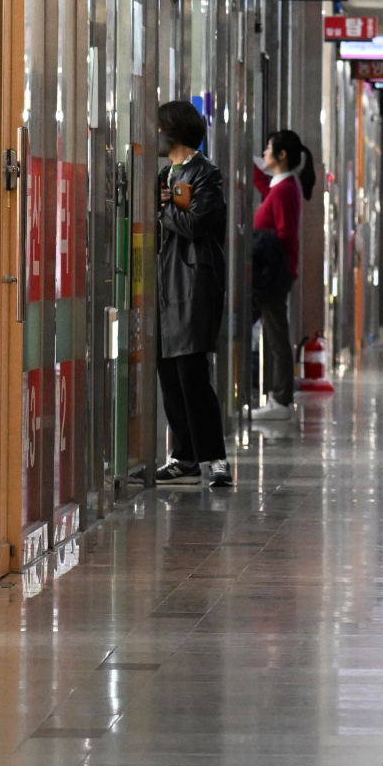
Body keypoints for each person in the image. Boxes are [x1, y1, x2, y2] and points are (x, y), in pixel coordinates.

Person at [154, 100, 232, 488]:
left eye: (159, 127)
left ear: (173, 132)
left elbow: (198, 223)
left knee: (192, 373)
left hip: (192, 284)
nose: (154, 133)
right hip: (162, 285)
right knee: (169, 374)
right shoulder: (163, 174)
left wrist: (164, 210)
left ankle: (216, 458)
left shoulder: (207, 174)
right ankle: (184, 456)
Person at [252, 129, 315, 416]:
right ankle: (277, 395)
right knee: (269, 330)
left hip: (273, 275)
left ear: (281, 155)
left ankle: (281, 399)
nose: (264, 153)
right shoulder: (282, 187)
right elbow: (267, 193)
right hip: (273, 273)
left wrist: (263, 246)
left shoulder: (286, 189)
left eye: (268, 149)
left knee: (277, 334)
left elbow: (285, 234)